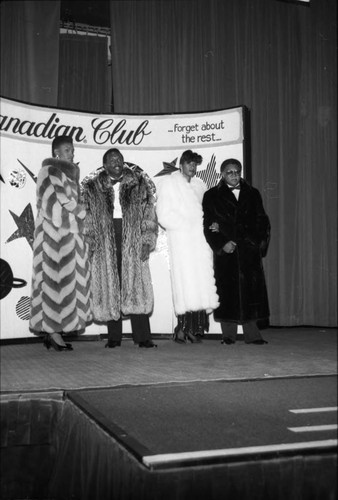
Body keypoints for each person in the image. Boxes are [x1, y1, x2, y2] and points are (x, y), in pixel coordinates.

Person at [81, 148, 158, 348]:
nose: (117, 162)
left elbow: (149, 213)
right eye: (112, 159)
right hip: (105, 238)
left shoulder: (139, 182)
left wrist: (146, 241)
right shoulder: (92, 186)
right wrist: (89, 243)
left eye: (120, 159)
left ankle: (142, 337)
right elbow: (87, 218)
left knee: (135, 285)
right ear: (104, 165)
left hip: (132, 237)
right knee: (110, 284)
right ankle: (114, 338)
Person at [29, 135, 92, 351]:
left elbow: (69, 203)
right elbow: (51, 205)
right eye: (67, 149)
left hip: (67, 238)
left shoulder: (68, 174)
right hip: (51, 237)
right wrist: (81, 217)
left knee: (64, 285)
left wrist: (78, 222)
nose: (71, 153)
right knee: (50, 283)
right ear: (56, 151)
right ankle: (52, 332)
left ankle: (56, 332)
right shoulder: (49, 170)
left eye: (72, 149)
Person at [202, 158, 270, 345]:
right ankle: (228, 336)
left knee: (251, 292)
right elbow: (208, 226)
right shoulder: (211, 196)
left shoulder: (253, 193)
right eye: (230, 172)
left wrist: (256, 243)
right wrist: (222, 244)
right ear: (222, 174)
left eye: (237, 171)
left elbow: (262, 220)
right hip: (227, 254)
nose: (234, 175)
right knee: (227, 293)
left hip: (249, 252)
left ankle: (253, 336)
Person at [156, 150, 219, 343]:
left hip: (200, 242)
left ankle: (195, 327)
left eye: (195, 164)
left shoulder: (200, 185)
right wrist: (186, 225)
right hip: (182, 240)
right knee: (185, 283)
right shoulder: (168, 183)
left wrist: (208, 226)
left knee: (200, 283)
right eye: (189, 163)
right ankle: (182, 328)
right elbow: (164, 214)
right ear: (181, 164)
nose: (192, 167)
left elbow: (206, 212)